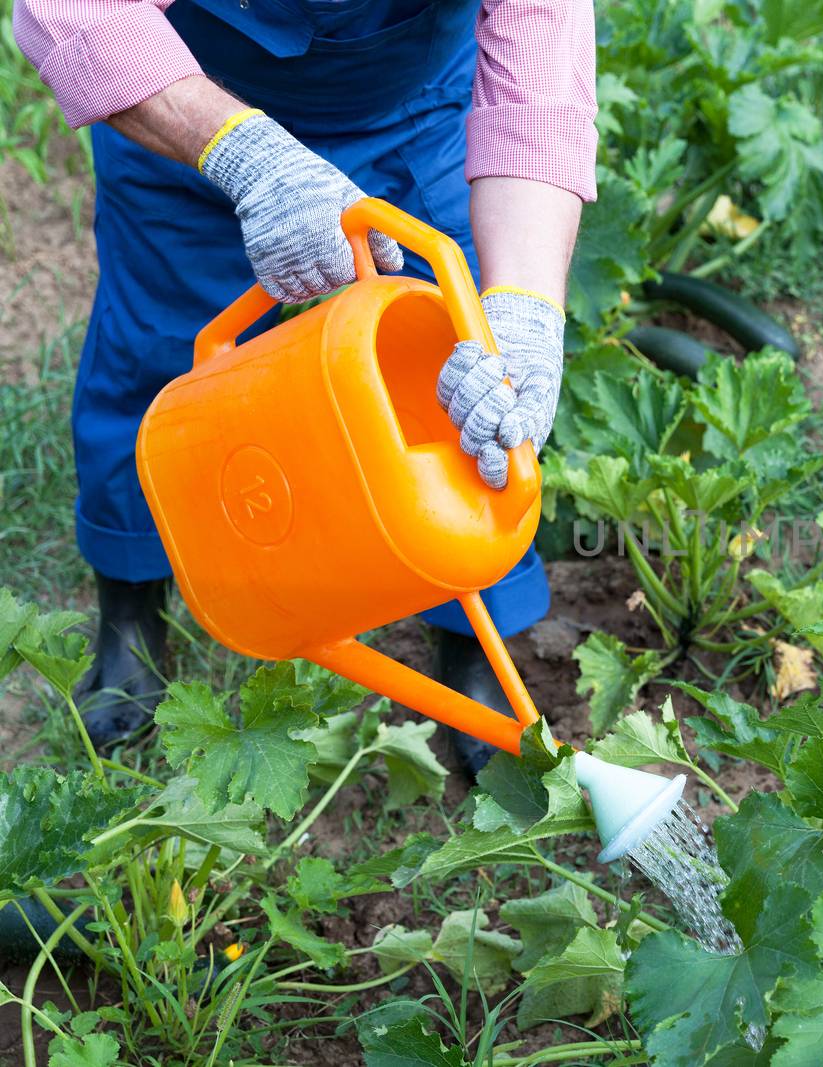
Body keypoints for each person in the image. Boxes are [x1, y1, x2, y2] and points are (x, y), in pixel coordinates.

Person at [13, 0, 596, 774]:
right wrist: (243, 153)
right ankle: (130, 606)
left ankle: (472, 633)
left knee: (457, 382)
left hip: (413, 115)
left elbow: (541, 54)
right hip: (185, 99)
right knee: (156, 355)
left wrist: (523, 304)